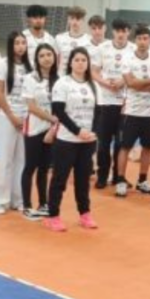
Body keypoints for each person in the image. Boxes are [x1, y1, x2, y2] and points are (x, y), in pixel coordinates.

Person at [44, 48, 99, 232]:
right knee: (59, 180)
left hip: (87, 141)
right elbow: (59, 111)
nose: (81, 63)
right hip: (66, 140)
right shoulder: (63, 83)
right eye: (77, 60)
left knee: (83, 180)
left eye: (84, 60)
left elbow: (98, 112)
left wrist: (92, 132)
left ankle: (85, 214)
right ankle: (53, 215)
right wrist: (77, 131)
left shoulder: (93, 85)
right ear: (70, 63)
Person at [115, 25, 150, 197]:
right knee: (125, 147)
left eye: (145, 38)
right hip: (131, 111)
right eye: (139, 38)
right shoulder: (128, 59)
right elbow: (130, 83)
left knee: (147, 147)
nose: (142, 42)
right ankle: (120, 181)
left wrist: (140, 84)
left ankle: (142, 181)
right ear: (135, 40)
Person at [0, 32, 31, 215]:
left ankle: (18, 199)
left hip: (27, 118)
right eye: (17, 43)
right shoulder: (2, 64)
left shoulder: (31, 66)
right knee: (5, 159)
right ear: (10, 45)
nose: (21, 46)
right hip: (7, 117)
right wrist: (12, 116)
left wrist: (27, 116)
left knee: (22, 160)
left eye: (23, 43)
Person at [91, 19, 132, 189]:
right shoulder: (102, 48)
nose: (121, 34)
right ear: (113, 32)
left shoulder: (133, 50)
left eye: (124, 31)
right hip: (105, 102)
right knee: (104, 143)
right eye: (117, 31)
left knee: (121, 143)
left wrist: (123, 81)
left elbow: (136, 74)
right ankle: (102, 176)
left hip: (125, 104)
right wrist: (105, 83)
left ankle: (117, 176)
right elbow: (94, 71)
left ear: (128, 32)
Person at [21, 44, 58, 219]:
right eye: (42, 55)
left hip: (51, 130)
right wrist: (52, 119)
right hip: (34, 129)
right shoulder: (30, 78)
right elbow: (31, 107)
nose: (46, 58)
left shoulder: (59, 79)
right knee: (30, 167)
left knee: (44, 168)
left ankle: (43, 203)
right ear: (36, 59)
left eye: (49, 54)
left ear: (54, 57)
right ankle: (27, 206)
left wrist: (54, 125)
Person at [54, 6, 90, 76]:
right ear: (68, 20)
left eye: (78, 19)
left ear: (83, 20)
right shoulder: (59, 38)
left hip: (81, 77)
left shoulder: (89, 40)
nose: (74, 22)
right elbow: (55, 60)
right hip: (62, 77)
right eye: (72, 18)